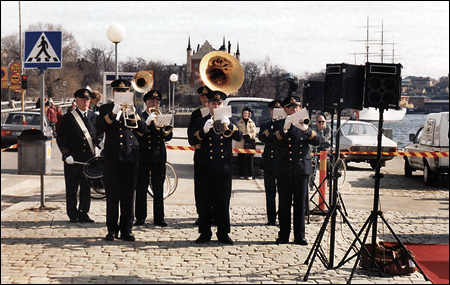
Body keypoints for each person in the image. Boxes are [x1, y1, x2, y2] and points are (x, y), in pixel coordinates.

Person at [96, 79, 147, 242]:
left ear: (128, 93)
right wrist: (112, 114)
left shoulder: (136, 108)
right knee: (112, 196)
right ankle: (112, 229)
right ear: (113, 93)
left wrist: (134, 116)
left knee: (128, 195)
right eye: (118, 92)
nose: (121, 94)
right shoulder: (105, 108)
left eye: (124, 92)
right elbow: (99, 127)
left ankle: (127, 229)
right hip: (112, 157)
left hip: (130, 157)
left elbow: (143, 130)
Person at [191, 90, 242, 245]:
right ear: (209, 105)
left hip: (223, 167)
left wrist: (230, 124)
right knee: (204, 201)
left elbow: (238, 136)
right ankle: (205, 232)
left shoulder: (230, 120)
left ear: (223, 104)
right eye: (214, 103)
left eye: (219, 103)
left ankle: (223, 233)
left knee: (222, 202)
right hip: (205, 167)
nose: (217, 105)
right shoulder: (201, 121)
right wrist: (203, 130)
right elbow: (191, 139)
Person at [273, 95, 320, 245]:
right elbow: (271, 141)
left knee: (300, 204)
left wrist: (306, 129)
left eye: (297, 107)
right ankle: (283, 235)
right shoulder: (280, 124)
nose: (296, 109)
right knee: (284, 204)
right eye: (292, 107)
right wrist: (285, 129)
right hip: (284, 168)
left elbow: (318, 141)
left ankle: (300, 236)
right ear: (285, 109)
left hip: (301, 169)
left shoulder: (305, 123)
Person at [56, 88, 103, 223]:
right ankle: (72, 213)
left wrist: (99, 143)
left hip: (88, 159)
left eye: (87, 100)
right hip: (73, 159)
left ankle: (84, 212)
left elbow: (98, 133)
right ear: (76, 101)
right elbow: (61, 137)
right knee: (72, 188)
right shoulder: (69, 117)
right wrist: (66, 155)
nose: (86, 102)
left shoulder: (94, 116)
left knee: (86, 188)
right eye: (83, 100)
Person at [135, 90, 173, 227]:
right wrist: (146, 122)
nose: (154, 105)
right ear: (146, 103)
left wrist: (165, 129)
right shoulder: (139, 116)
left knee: (158, 187)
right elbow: (137, 133)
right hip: (143, 156)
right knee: (141, 187)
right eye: (151, 102)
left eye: (157, 102)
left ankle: (159, 218)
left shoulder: (161, 116)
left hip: (158, 156)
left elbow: (168, 136)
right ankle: (140, 217)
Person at [187, 86, 211, 225]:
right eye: (202, 97)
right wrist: (193, 143)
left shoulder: (221, 112)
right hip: (201, 154)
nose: (205, 100)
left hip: (214, 154)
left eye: (207, 97)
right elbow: (190, 133)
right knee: (201, 187)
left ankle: (214, 214)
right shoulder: (196, 114)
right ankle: (202, 214)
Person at [258, 99, 283, 226]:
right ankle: (271, 218)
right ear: (270, 111)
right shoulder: (265, 124)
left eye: (278, 110)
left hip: (282, 162)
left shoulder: (285, 124)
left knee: (283, 192)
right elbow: (262, 137)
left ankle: (282, 216)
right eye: (273, 110)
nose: (275, 112)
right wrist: (271, 128)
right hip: (269, 161)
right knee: (270, 192)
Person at [236, 107, 257, 179]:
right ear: (242, 114)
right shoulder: (238, 123)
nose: (245, 115)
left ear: (249, 114)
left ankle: (250, 175)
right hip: (241, 143)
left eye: (247, 113)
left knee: (249, 160)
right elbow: (237, 132)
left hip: (249, 143)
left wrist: (249, 135)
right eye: (244, 113)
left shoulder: (252, 123)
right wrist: (242, 135)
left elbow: (254, 133)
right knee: (241, 159)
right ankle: (241, 174)